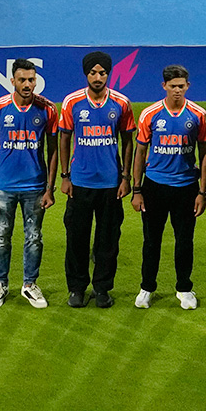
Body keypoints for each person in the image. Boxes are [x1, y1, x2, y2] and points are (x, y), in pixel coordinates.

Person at [59, 51, 135, 309]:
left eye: (102, 73)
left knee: (108, 241)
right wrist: (65, 176)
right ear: (86, 74)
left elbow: (128, 141)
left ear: (109, 74)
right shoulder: (72, 102)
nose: (98, 77)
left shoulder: (121, 103)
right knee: (76, 239)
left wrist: (125, 177)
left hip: (111, 185)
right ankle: (77, 289)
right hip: (79, 183)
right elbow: (64, 138)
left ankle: (102, 289)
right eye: (93, 72)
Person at [131, 65, 206, 310]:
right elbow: (140, 151)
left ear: (188, 86)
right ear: (164, 86)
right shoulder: (150, 114)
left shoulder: (198, 115)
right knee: (151, 241)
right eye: (173, 86)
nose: (177, 90)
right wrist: (137, 190)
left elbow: (205, 153)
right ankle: (146, 288)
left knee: (184, 241)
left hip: (186, 188)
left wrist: (202, 192)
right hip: (154, 186)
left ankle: (184, 289)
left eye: (181, 86)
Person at [0, 60, 58, 309]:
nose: (27, 84)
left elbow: (54, 151)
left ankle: (29, 285)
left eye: (31, 80)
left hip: (35, 187)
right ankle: (1, 283)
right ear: (12, 81)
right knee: (2, 237)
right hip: (3, 186)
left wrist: (50, 188)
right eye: (22, 80)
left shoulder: (47, 109)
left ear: (36, 80)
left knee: (34, 237)